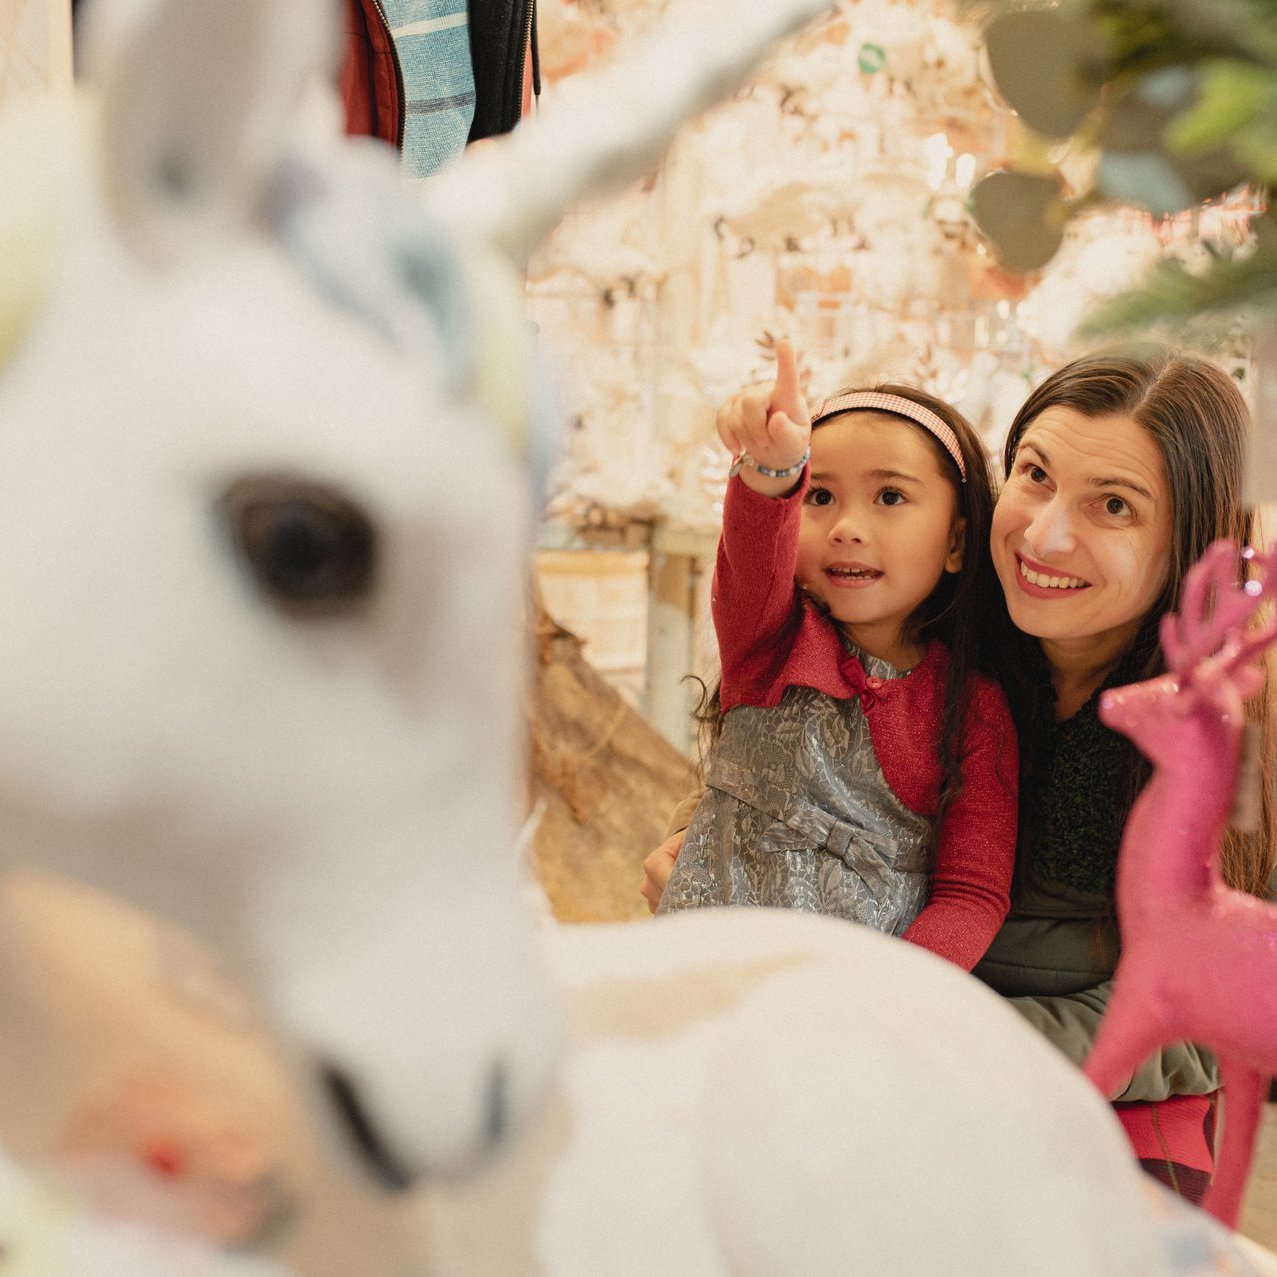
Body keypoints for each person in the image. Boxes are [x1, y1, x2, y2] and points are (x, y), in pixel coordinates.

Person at [646, 342, 1276, 1204]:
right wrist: (698, 847)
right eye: (1035, 473)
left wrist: (929, 1038)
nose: (1046, 531)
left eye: (1114, 506)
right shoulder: (946, 636)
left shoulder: (1225, 728)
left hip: (1088, 1106)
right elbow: (786, 744)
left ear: (1190, 546)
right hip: (856, 1061)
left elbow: (1210, 1014)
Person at [652, 340, 1019, 973]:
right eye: (820, 497)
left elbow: (972, 894)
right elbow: (753, 549)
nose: (848, 526)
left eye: (890, 498)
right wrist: (773, 470)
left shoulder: (972, 710)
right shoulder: (766, 637)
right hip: (700, 978)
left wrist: (888, 1001)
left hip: (852, 1010)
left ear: (958, 540)